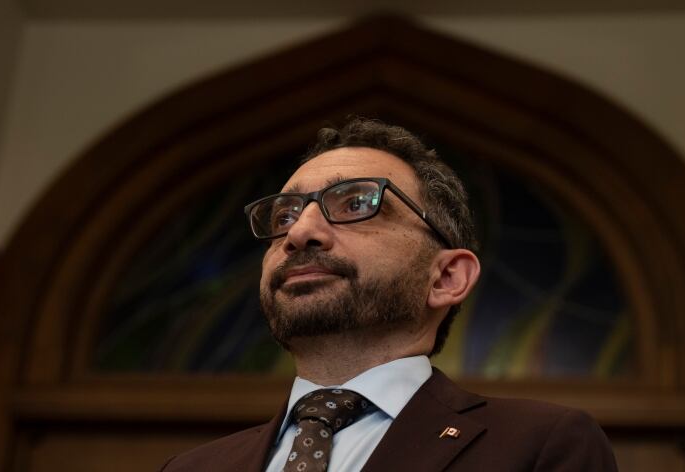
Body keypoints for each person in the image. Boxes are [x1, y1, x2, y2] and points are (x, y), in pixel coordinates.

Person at [160, 118, 618, 471]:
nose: (299, 232)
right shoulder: (191, 468)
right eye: (283, 217)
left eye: (356, 203)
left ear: (446, 278)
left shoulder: (539, 446)